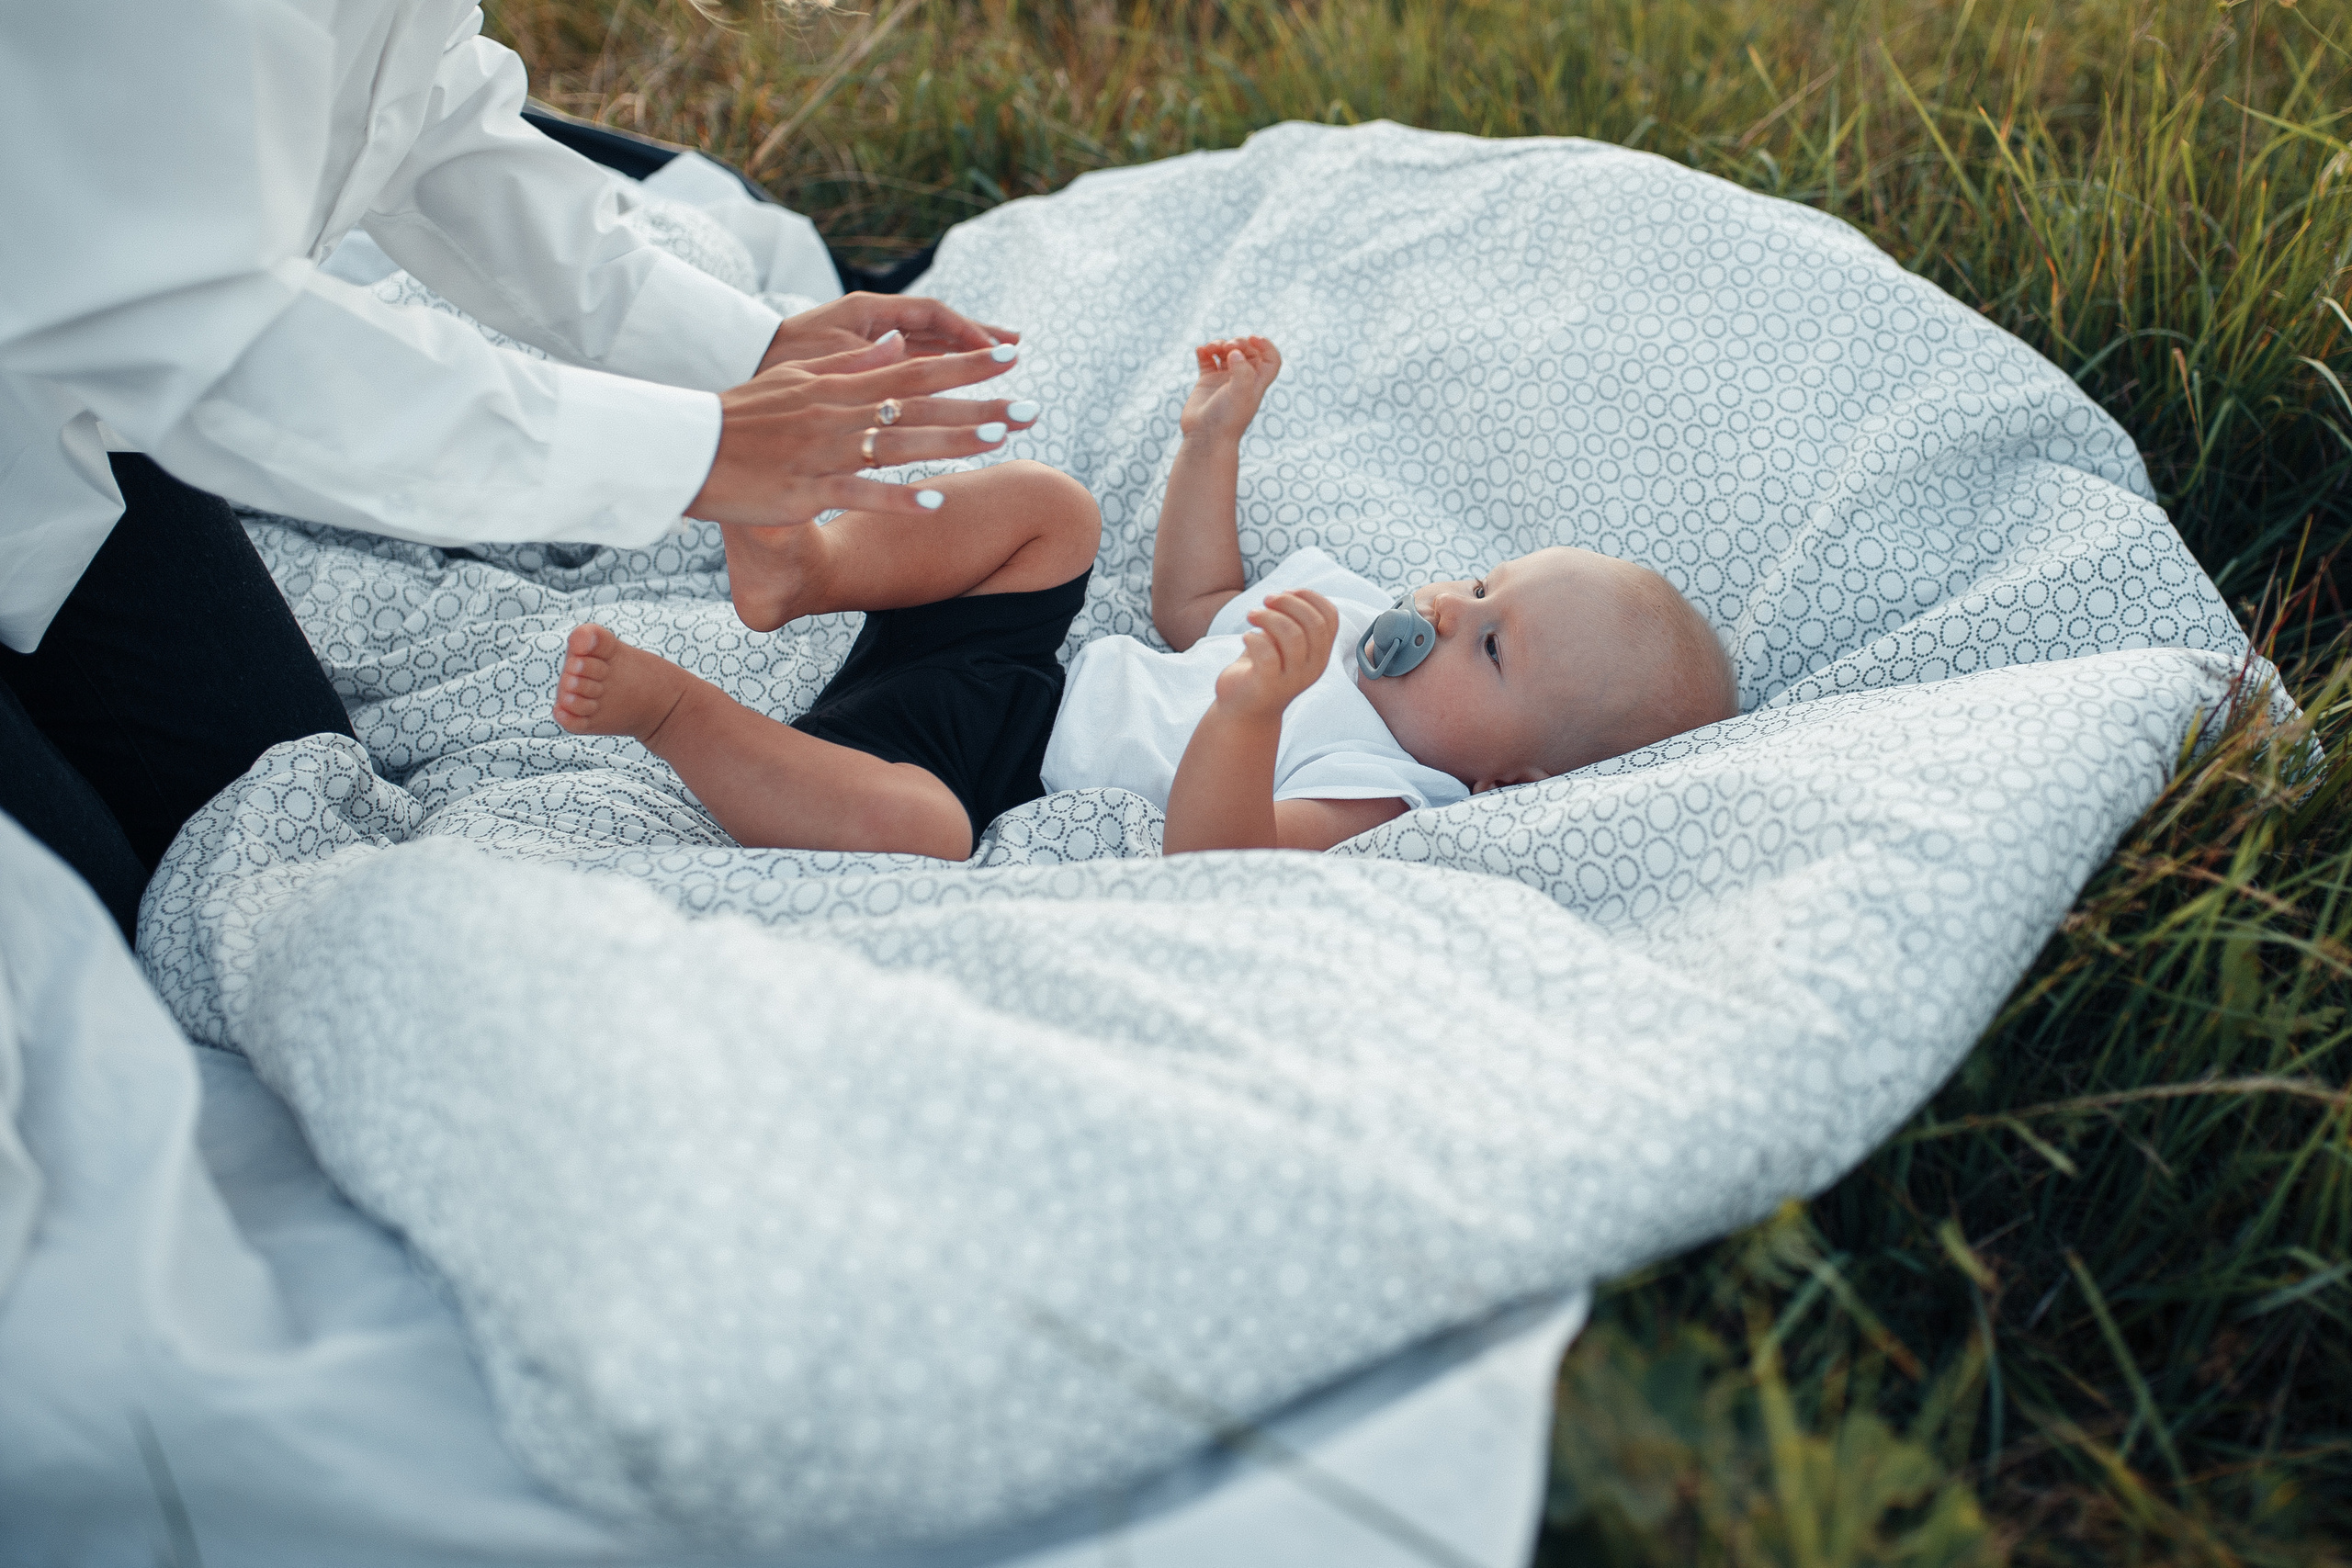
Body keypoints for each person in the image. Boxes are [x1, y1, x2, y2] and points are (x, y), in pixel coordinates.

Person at [0, 0, 1027, 940]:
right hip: (109, 365)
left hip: (69, 431)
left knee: (260, 824)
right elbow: (199, 326)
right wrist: (689, 452)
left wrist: (750, 347)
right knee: (74, 952)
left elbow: (431, 123)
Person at [550, 336, 1741, 858]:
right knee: (1055, 512)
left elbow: (1215, 848)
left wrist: (1253, 712)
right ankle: (808, 568)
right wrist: (1211, 445)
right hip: (1034, 667)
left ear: (1508, 779)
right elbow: (1195, 602)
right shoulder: (1339, 601)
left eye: (1489, 648)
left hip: (986, 765)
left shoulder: (1384, 792)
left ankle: (674, 715)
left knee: (925, 835)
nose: (1446, 612)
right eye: (1483, 585)